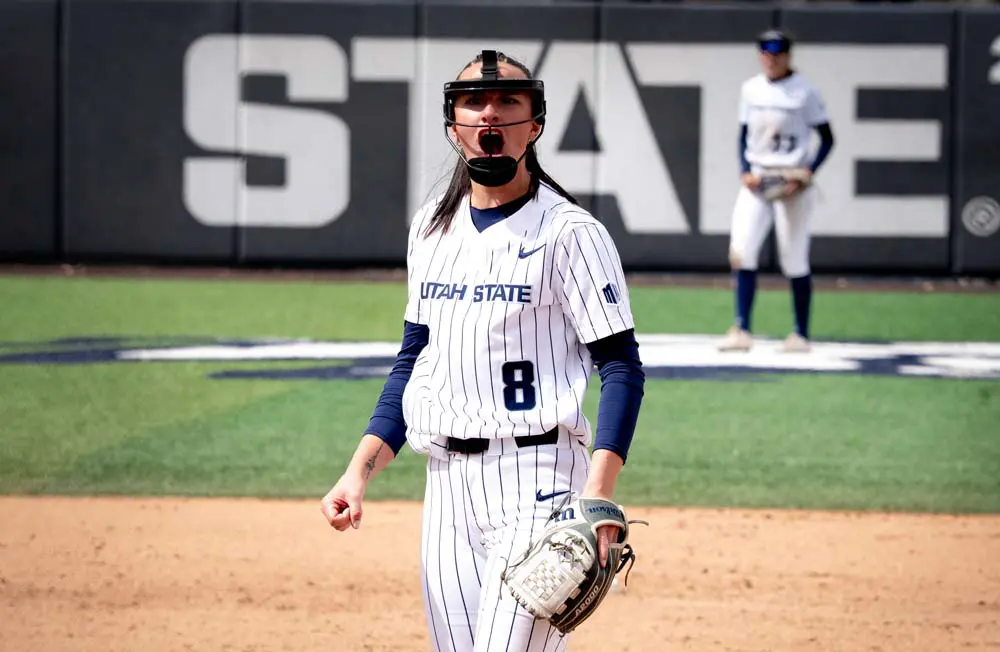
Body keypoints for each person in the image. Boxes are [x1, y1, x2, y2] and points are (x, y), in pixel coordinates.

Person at [319, 49, 645, 652]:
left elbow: (621, 367)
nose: (489, 114)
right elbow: (414, 362)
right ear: (453, 124)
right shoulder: (431, 229)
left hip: (540, 481)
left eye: (507, 102)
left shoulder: (570, 233)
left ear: (535, 124)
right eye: (473, 102)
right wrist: (358, 470)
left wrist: (598, 495)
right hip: (446, 486)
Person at [718, 29, 836, 353]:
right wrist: (744, 170)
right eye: (767, 53)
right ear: (760, 56)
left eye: (779, 53)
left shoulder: (805, 92)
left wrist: (807, 172)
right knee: (742, 250)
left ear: (788, 56)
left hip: (791, 181)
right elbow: (742, 136)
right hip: (759, 179)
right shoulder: (751, 89)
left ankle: (800, 333)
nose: (772, 59)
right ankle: (741, 328)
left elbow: (827, 138)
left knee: (794, 258)